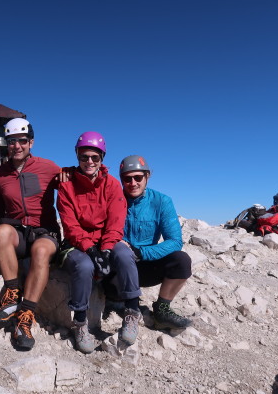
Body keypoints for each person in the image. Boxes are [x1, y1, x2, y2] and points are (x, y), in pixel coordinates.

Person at [0, 117, 61, 350]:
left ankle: (25, 316)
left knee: (40, 250)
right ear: (6, 144)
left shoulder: (49, 168)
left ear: (31, 142)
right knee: (0, 232)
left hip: (45, 231)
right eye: (11, 141)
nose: (16, 146)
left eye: (22, 140)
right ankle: (11, 295)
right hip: (18, 231)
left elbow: (75, 185)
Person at [106, 155, 192, 346]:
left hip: (146, 266)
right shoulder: (113, 200)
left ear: (147, 176)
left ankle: (162, 309)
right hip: (118, 269)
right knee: (112, 280)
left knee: (181, 261)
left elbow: (175, 240)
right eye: (127, 178)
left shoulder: (161, 202)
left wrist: (142, 252)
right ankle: (118, 303)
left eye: (138, 177)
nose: (133, 183)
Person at [57, 132, 126, 354]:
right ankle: (80, 322)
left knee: (124, 256)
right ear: (77, 155)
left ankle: (132, 310)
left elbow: (115, 220)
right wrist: (90, 249)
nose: (89, 162)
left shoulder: (112, 185)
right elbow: (70, 225)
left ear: (102, 159)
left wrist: (105, 249)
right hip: (75, 244)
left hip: (101, 242)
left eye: (94, 158)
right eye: (84, 157)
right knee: (85, 265)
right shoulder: (67, 187)